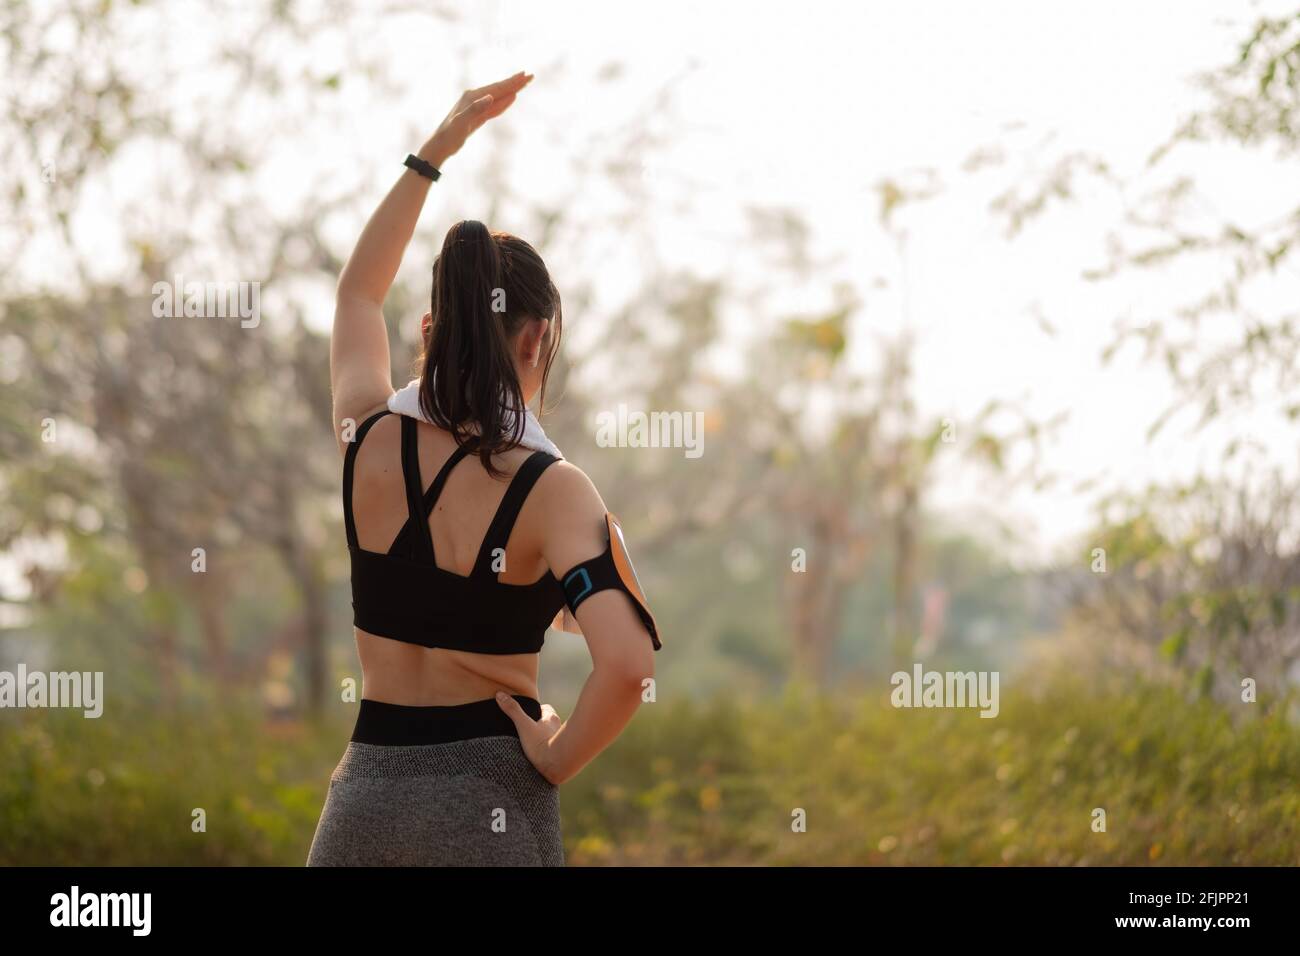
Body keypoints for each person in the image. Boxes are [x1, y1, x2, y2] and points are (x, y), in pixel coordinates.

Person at [306, 72, 661, 866]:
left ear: (429, 330)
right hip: (490, 812)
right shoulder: (556, 492)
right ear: (536, 341)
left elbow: (358, 297)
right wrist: (556, 757)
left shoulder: (364, 437)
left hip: (360, 812)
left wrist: (436, 150)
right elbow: (630, 667)